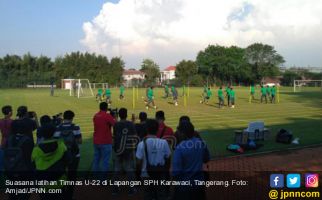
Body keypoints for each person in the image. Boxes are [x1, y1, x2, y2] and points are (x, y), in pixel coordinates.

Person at [172, 121, 210, 200]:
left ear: (183, 133)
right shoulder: (202, 143)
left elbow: (176, 172)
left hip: (184, 187)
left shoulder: (179, 148)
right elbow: (206, 159)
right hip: (199, 184)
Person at [32, 123, 70, 200]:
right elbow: (68, 160)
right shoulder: (61, 145)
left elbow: (33, 166)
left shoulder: (36, 149)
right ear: (53, 132)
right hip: (59, 182)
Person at [136, 119, 171, 200]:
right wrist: (166, 169)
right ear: (157, 129)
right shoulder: (164, 142)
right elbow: (168, 158)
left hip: (146, 174)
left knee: (148, 194)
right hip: (160, 173)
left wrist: (139, 174)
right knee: (161, 194)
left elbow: (138, 162)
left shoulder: (141, 144)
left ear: (146, 129)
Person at [54, 110, 82, 199]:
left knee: (61, 174)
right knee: (72, 175)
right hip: (74, 154)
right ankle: (69, 195)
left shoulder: (57, 127)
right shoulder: (76, 127)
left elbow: (55, 142)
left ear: (64, 118)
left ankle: (62, 192)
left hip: (61, 155)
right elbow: (80, 141)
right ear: (72, 118)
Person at [5, 115, 35, 200]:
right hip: (24, 172)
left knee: (13, 192)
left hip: (10, 169)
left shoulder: (9, 139)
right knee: (24, 193)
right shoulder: (27, 140)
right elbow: (30, 158)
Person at [112, 108, 137, 196]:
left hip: (118, 149)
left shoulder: (116, 125)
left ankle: (115, 189)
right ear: (126, 115)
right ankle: (131, 188)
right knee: (129, 169)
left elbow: (115, 136)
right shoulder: (130, 124)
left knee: (117, 169)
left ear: (119, 115)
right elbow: (134, 136)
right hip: (128, 149)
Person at [92, 102, 116, 175]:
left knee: (96, 160)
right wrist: (113, 116)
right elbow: (115, 124)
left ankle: (95, 178)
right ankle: (103, 180)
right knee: (105, 161)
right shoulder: (107, 116)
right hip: (105, 141)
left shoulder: (95, 115)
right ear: (106, 108)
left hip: (96, 141)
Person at [0, 105, 13, 170]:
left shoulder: (0, 121)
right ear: (9, 112)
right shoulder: (12, 121)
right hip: (11, 142)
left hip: (3, 141)